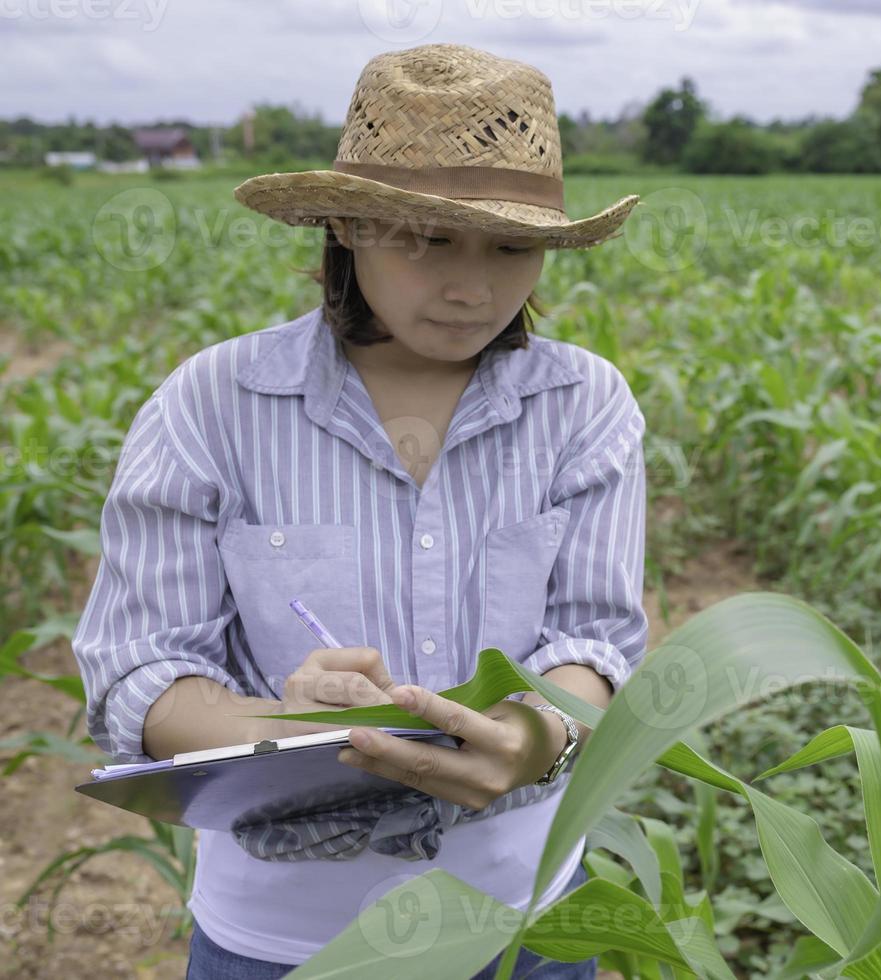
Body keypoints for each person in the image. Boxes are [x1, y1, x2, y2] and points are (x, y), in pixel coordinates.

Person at [70, 43, 647, 978]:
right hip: (283, 939)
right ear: (344, 223)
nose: (472, 288)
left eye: (511, 248)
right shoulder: (212, 404)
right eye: (425, 240)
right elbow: (141, 669)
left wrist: (533, 737)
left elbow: (594, 639)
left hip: (525, 921)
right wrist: (288, 729)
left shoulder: (583, 404)